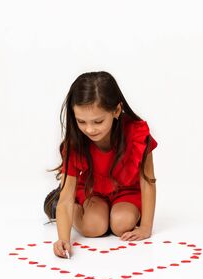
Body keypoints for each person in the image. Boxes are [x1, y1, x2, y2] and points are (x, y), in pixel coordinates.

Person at [44, 71, 157, 258]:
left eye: (98, 121)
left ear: (116, 111)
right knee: (94, 227)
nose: (89, 129)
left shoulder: (136, 134)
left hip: (127, 190)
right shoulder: (76, 142)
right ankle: (70, 208)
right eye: (81, 121)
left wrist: (145, 227)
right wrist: (63, 239)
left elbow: (148, 182)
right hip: (91, 191)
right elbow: (67, 197)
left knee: (122, 223)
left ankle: (110, 212)